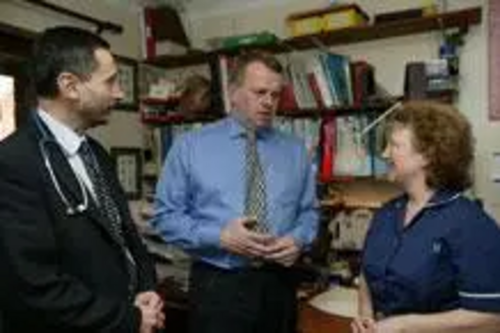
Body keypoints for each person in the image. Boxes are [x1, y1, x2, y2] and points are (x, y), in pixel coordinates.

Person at [0, 26, 164, 333]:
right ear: (70, 85)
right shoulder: (12, 163)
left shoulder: (96, 153)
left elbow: (125, 236)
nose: (120, 92)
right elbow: (34, 286)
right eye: (110, 81)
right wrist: (129, 320)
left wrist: (147, 289)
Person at [150, 51, 319, 333]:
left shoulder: (295, 150)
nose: (268, 102)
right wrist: (220, 236)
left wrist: (299, 240)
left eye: (275, 95)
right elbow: (165, 218)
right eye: (259, 92)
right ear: (233, 93)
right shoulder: (190, 147)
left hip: (280, 285)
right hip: (219, 286)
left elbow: (309, 212)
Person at [352, 101, 500, 333]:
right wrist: (365, 314)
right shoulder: (385, 214)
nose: (384, 154)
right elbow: (367, 273)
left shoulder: (471, 224)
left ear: (427, 156)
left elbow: (491, 318)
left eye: (394, 146)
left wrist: (404, 325)